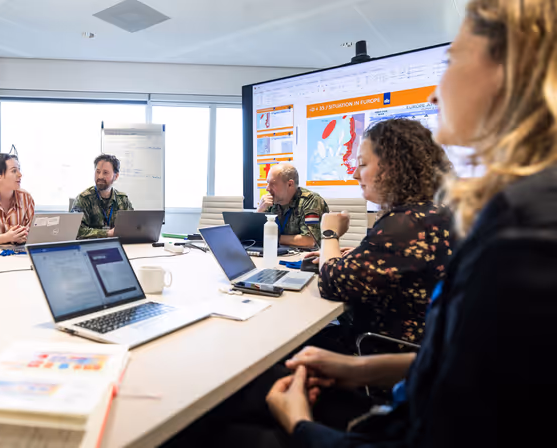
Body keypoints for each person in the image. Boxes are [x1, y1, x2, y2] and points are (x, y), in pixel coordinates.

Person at [186, 1, 556, 446]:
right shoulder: (463, 215)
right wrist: (356, 367)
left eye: (452, 60)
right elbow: (462, 364)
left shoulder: (517, 227)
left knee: (213, 419)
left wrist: (300, 425)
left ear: (511, 72)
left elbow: (336, 283)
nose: (436, 95)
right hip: (385, 374)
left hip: (383, 411)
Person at [305, 119, 455, 353]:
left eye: (362, 164)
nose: (355, 174)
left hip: (376, 354)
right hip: (422, 349)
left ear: (393, 168)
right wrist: (363, 254)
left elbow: (330, 283)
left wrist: (330, 233)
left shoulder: (404, 223)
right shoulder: (435, 212)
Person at [257, 164, 329, 248]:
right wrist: (259, 211)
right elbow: (251, 236)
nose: (267, 189)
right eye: (268, 183)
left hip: (305, 257)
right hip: (276, 253)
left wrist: (273, 237)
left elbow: (309, 241)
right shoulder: (270, 202)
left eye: (273, 184)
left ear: (290, 184)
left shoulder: (311, 200)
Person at [72, 154, 134, 239]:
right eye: (97, 172)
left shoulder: (122, 199)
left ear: (116, 176)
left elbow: (133, 226)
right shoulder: (84, 198)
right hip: (91, 249)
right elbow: (77, 231)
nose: (100, 176)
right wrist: (108, 233)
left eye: (105, 173)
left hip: (118, 247)